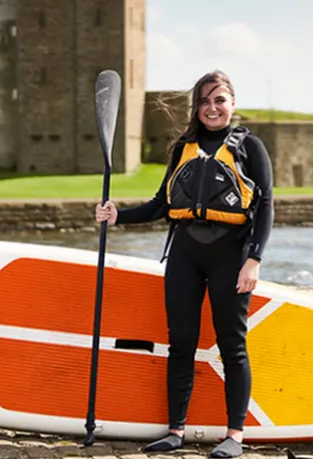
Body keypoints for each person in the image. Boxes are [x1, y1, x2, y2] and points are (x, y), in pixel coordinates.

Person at [95, 70, 273, 458]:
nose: (212, 108)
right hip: (184, 255)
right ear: (197, 107)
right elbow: (162, 204)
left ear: (232, 103)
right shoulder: (183, 148)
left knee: (233, 347)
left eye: (220, 99)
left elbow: (266, 206)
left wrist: (254, 260)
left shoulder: (250, 146)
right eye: (205, 101)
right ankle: (176, 430)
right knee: (181, 344)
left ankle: (234, 436)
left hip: (231, 255)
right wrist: (117, 216)